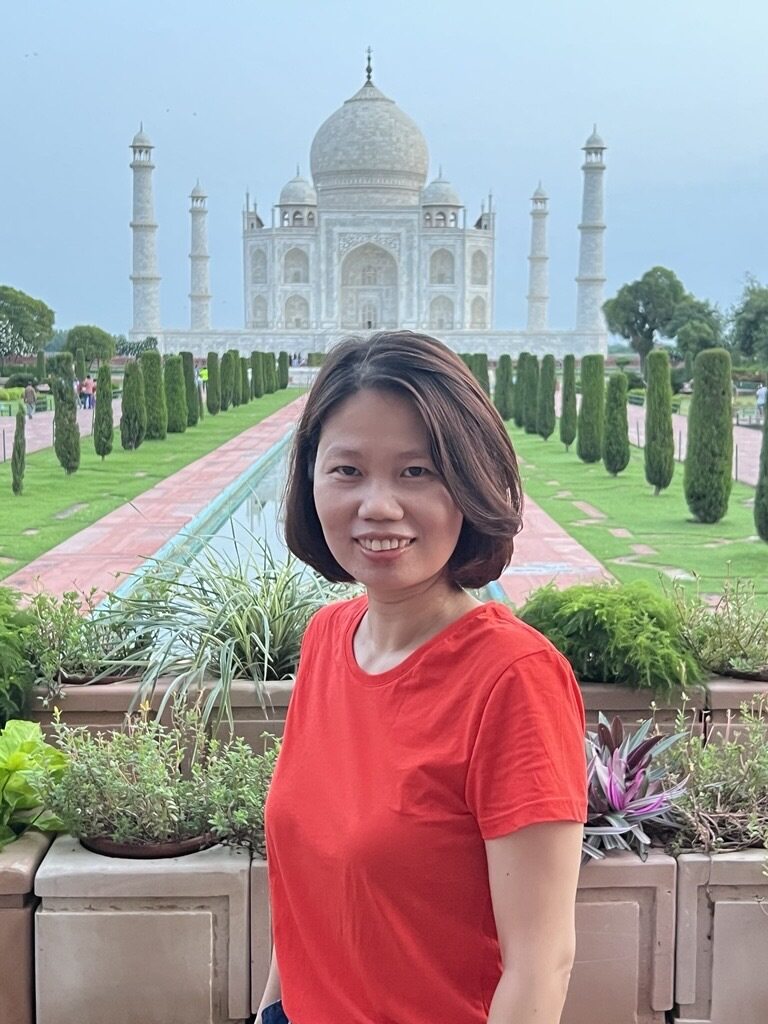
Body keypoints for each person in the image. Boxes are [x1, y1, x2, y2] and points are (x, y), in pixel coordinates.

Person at [259, 331, 587, 1024]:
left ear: (469, 482)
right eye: (347, 470)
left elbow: (541, 966)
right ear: (310, 478)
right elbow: (308, 891)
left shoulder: (512, 680)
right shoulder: (327, 640)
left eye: (417, 472)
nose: (378, 506)